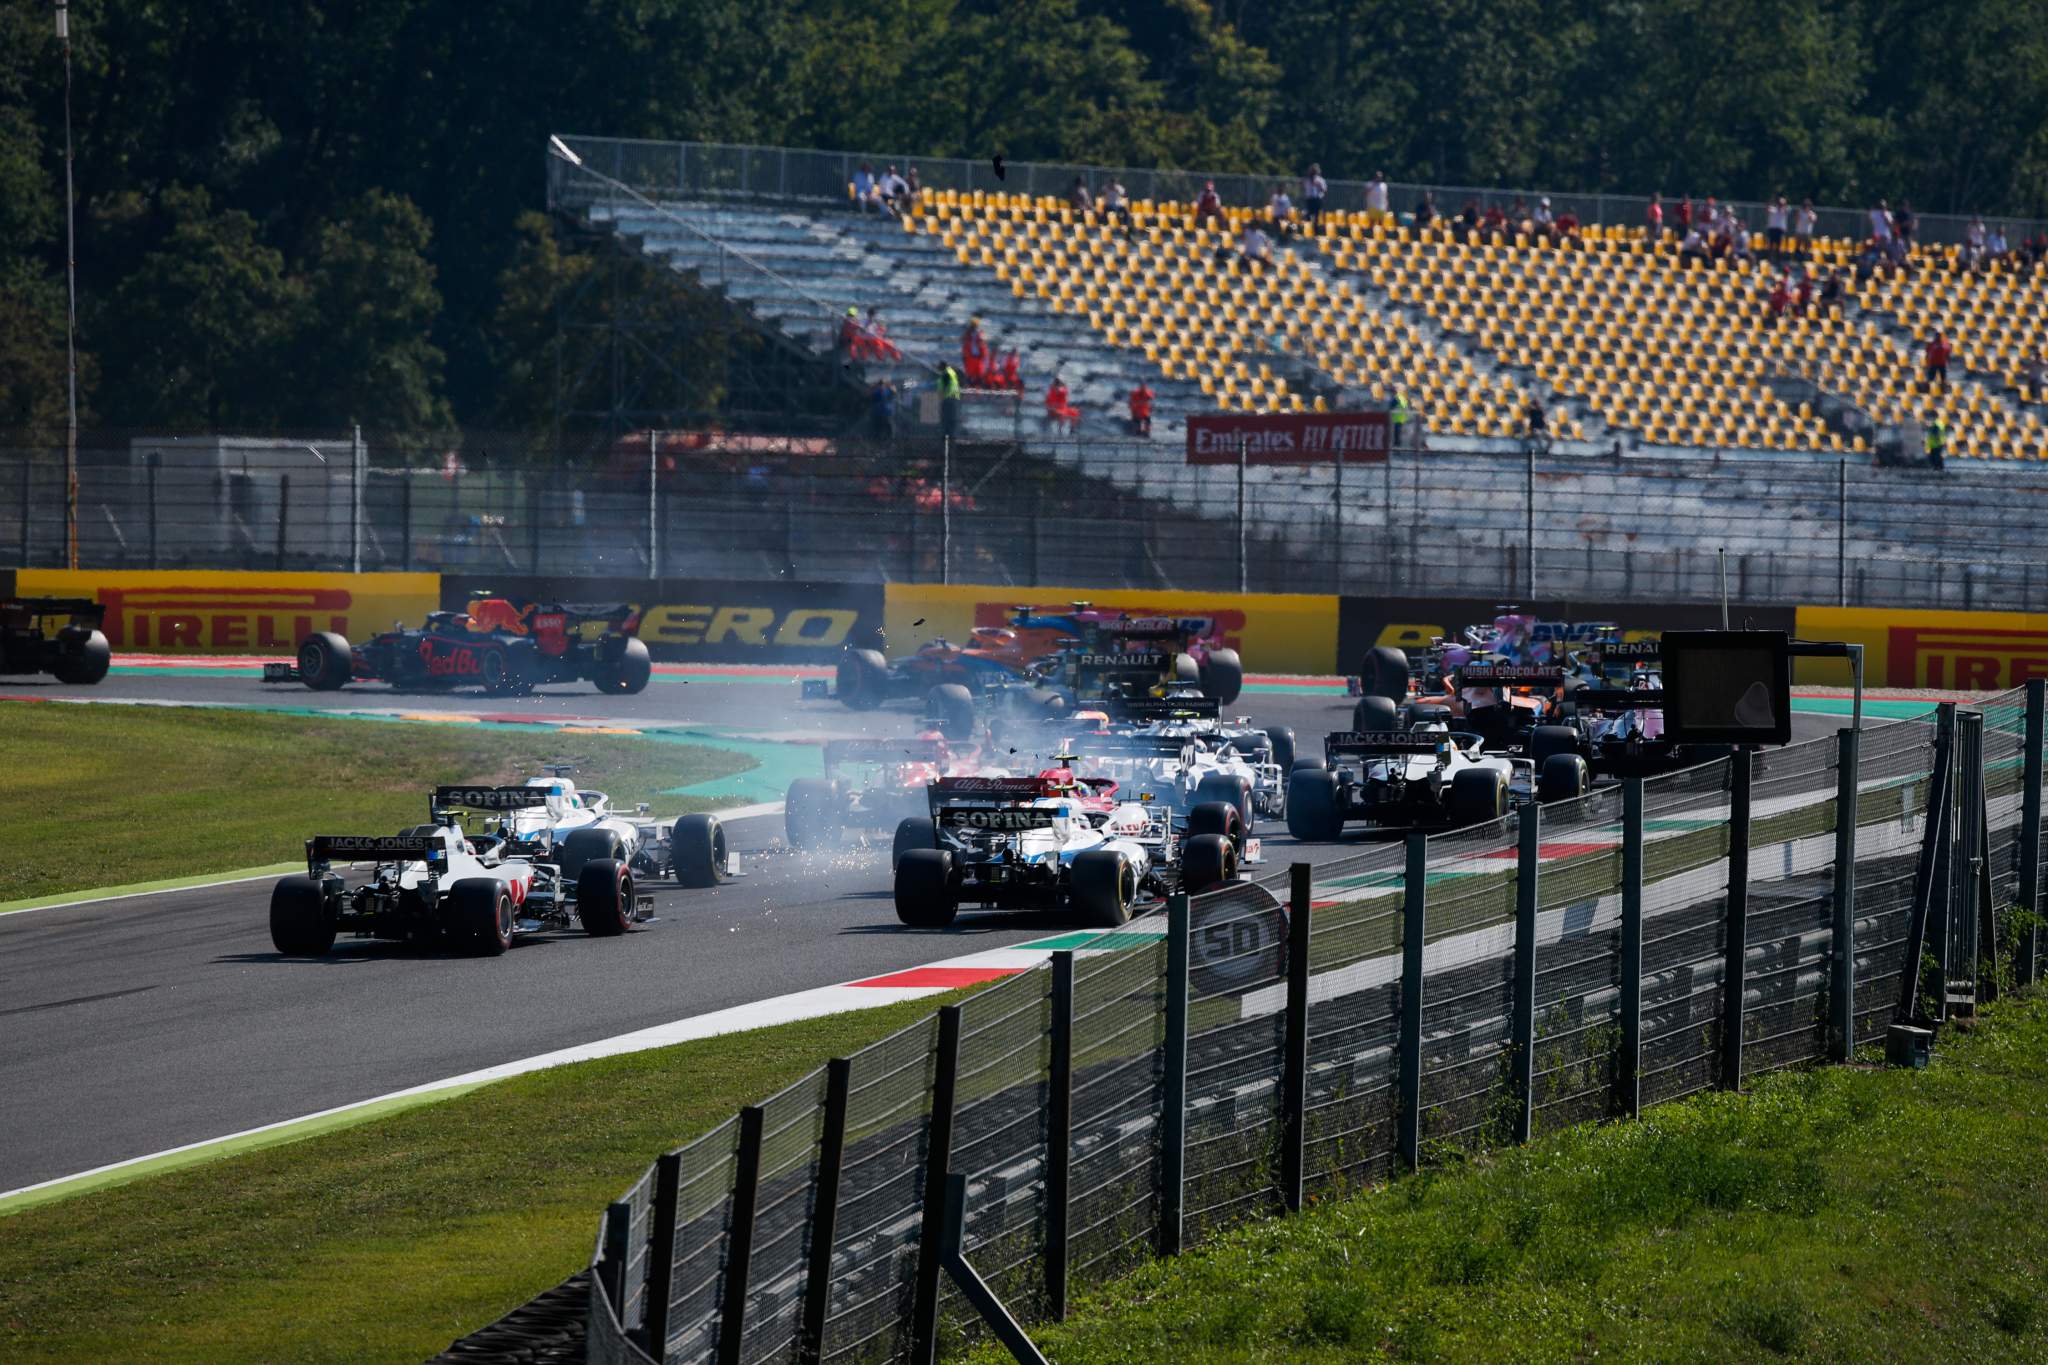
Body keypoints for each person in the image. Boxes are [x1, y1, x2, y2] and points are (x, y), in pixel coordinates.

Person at [961, 318, 989, 387]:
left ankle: (979, 390)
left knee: (979, 376)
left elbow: (984, 343)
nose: (973, 326)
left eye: (974, 325)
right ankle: (969, 388)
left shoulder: (980, 333)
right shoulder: (968, 333)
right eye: (972, 325)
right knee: (970, 376)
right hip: (970, 357)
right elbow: (964, 342)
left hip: (978, 357)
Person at [938, 363, 962, 437]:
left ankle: (946, 435)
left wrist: (941, 397)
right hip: (954, 398)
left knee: (946, 420)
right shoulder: (952, 373)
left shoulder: (946, 374)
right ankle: (951, 436)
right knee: (952, 420)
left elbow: (944, 387)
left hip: (948, 399)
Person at [1302, 164, 1328, 231]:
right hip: (1309, 199)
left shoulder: (1319, 180)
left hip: (1316, 199)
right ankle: (1307, 230)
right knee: (1308, 215)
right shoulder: (1306, 180)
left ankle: (1315, 230)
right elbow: (1304, 188)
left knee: (1316, 216)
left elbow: (1324, 190)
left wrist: (1319, 186)